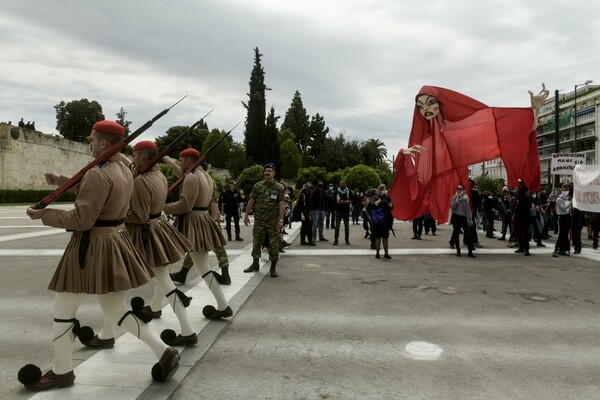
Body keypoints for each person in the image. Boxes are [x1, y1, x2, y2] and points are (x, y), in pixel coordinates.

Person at [21, 121, 179, 391]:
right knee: (116, 308)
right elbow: (99, 194)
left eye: (92, 140)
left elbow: (83, 218)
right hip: (115, 241)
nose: (89, 144)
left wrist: (44, 215)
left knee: (64, 308)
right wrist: (62, 181)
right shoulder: (124, 169)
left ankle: (62, 371)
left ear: (105, 143)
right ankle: (164, 351)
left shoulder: (98, 172)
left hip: (91, 246)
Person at [163, 149, 233, 319]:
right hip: (201, 219)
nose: (179, 163)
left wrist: (161, 206)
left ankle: (158, 307)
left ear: (188, 161)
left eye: (181, 161)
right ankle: (223, 306)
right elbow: (184, 176)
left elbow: (185, 205)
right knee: (202, 268)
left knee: (165, 264)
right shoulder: (205, 176)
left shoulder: (192, 177)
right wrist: (171, 163)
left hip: (191, 222)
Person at [243, 163, 286, 278]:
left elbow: (281, 204)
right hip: (260, 220)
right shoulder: (258, 186)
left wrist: (281, 219)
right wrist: (246, 215)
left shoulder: (279, 188)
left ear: (274, 173)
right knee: (256, 242)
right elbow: (251, 200)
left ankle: (273, 268)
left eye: (269, 171)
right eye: (265, 171)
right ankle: (255, 264)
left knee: (274, 244)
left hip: (273, 222)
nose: (267, 173)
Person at [450, 183, 475, 257]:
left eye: (460, 189)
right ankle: (458, 250)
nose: (458, 190)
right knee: (456, 233)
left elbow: (467, 209)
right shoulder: (454, 197)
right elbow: (453, 207)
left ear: (463, 190)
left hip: (463, 217)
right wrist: (457, 199)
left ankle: (470, 251)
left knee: (468, 233)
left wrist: (470, 218)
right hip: (456, 217)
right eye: (457, 188)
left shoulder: (465, 198)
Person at [370, 184, 393, 259]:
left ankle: (386, 253)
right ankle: (377, 253)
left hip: (385, 220)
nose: (384, 191)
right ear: (379, 190)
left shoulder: (387, 198)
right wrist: (381, 198)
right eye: (383, 189)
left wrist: (388, 199)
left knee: (385, 237)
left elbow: (391, 207)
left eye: (385, 189)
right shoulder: (375, 197)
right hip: (377, 220)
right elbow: (373, 205)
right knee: (378, 237)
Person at [513, 180, 532, 256]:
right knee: (519, 233)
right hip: (519, 218)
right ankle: (521, 247)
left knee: (525, 234)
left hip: (525, 219)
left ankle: (526, 249)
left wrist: (521, 182)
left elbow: (525, 188)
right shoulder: (518, 199)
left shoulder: (526, 199)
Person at [552, 183, 572, 257]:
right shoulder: (559, 199)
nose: (565, 190)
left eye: (566, 189)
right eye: (564, 189)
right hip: (562, 217)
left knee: (565, 234)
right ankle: (556, 249)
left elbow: (569, 209)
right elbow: (563, 208)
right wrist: (570, 203)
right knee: (561, 234)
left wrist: (571, 210)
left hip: (567, 217)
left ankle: (563, 249)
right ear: (561, 189)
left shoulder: (568, 198)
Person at [333, 179, 352, 245]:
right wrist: (338, 202)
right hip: (338, 211)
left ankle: (347, 239)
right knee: (337, 226)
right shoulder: (336, 192)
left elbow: (352, 200)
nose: (342, 185)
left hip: (346, 211)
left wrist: (348, 202)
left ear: (345, 184)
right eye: (341, 183)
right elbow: (333, 201)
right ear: (339, 184)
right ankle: (336, 240)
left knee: (346, 226)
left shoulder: (349, 191)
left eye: (343, 183)